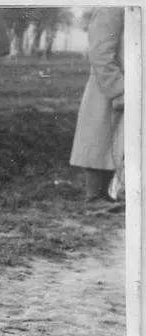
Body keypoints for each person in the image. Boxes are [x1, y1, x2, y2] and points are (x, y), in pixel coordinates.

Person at [69, 7, 124, 203]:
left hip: (131, 81)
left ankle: (109, 193)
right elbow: (101, 53)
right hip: (109, 86)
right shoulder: (112, 9)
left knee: (119, 141)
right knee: (100, 137)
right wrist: (118, 88)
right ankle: (95, 195)